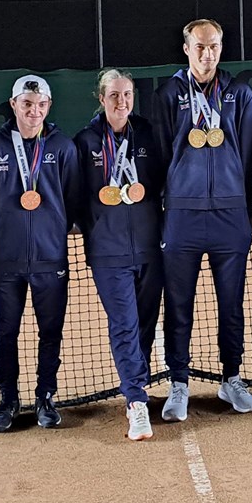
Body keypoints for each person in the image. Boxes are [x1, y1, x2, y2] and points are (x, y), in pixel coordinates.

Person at [151, 18, 252, 420]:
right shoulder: (168, 94)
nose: (207, 53)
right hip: (182, 215)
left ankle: (232, 379)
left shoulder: (240, 94)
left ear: (221, 47)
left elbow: (248, 158)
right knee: (179, 304)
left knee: (231, 304)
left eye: (213, 46)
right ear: (186, 49)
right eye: (200, 46)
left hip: (231, 216)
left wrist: (248, 207)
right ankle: (179, 383)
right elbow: (163, 155)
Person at [0, 74, 82, 431]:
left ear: (48, 106)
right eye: (26, 104)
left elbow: (70, 202)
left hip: (50, 258)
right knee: (6, 332)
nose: (33, 111)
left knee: (50, 331)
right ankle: (8, 399)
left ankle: (46, 396)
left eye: (40, 105)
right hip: (5, 260)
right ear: (14, 105)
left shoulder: (64, 148)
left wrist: (49, 233)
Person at [74, 69, 164, 441]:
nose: (121, 101)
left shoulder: (147, 133)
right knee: (124, 322)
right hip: (108, 251)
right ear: (101, 98)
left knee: (145, 320)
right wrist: (96, 229)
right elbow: (77, 196)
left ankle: (136, 384)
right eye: (113, 95)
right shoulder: (85, 142)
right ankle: (136, 401)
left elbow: (159, 182)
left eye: (127, 94)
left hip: (149, 246)